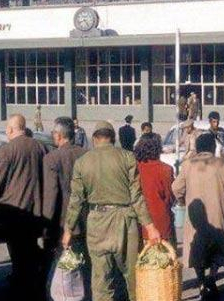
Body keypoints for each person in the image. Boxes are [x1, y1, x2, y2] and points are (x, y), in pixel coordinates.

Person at [62, 121, 161, 301]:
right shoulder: (128, 157)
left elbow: (75, 200)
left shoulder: (82, 163)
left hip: (96, 224)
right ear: (113, 138)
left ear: (94, 139)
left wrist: (68, 229)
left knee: (101, 282)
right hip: (125, 222)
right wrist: (150, 226)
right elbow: (137, 196)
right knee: (132, 277)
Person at [0, 114, 47, 299]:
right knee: (30, 245)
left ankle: (21, 283)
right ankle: (33, 279)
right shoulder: (41, 147)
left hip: (13, 210)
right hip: (36, 209)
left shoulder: (7, 150)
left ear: (10, 129)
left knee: (17, 249)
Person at [172, 133, 224, 300]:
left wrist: (183, 202)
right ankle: (212, 277)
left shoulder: (188, 165)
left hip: (196, 216)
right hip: (218, 214)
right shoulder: (222, 164)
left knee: (197, 250)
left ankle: (201, 281)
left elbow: (176, 187)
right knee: (217, 250)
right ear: (212, 147)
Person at [42, 117, 88, 251]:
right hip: (85, 219)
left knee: (63, 265)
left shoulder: (51, 158)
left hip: (62, 222)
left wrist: (46, 226)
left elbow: (51, 195)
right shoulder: (85, 154)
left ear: (59, 135)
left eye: (53, 133)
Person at [134, 137, 176, 246]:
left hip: (139, 221)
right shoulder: (166, 169)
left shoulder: (135, 168)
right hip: (161, 220)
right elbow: (170, 196)